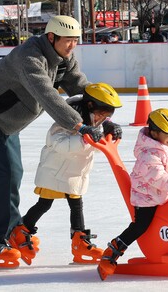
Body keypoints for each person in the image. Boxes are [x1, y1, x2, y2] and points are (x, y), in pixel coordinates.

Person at [0, 15, 121, 269]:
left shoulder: (64, 58)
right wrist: (80, 125)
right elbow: (47, 95)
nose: (72, 46)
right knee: (1, 177)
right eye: (67, 41)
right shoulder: (29, 58)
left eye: (75, 41)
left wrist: (104, 118)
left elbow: (82, 90)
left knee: (12, 175)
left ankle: (12, 233)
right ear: (51, 38)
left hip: (9, 124)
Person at [14, 83, 122, 265]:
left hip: (74, 173)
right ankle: (21, 231)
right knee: (44, 204)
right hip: (56, 171)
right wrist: (83, 137)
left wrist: (107, 133)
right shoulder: (67, 118)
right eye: (103, 112)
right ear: (90, 105)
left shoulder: (95, 119)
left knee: (77, 205)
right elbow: (56, 142)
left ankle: (79, 241)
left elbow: (94, 146)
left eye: (109, 114)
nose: (105, 117)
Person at [97, 108, 168, 281]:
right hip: (147, 197)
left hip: (166, 196)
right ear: (154, 132)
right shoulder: (148, 154)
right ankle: (114, 250)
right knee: (141, 226)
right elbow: (158, 177)